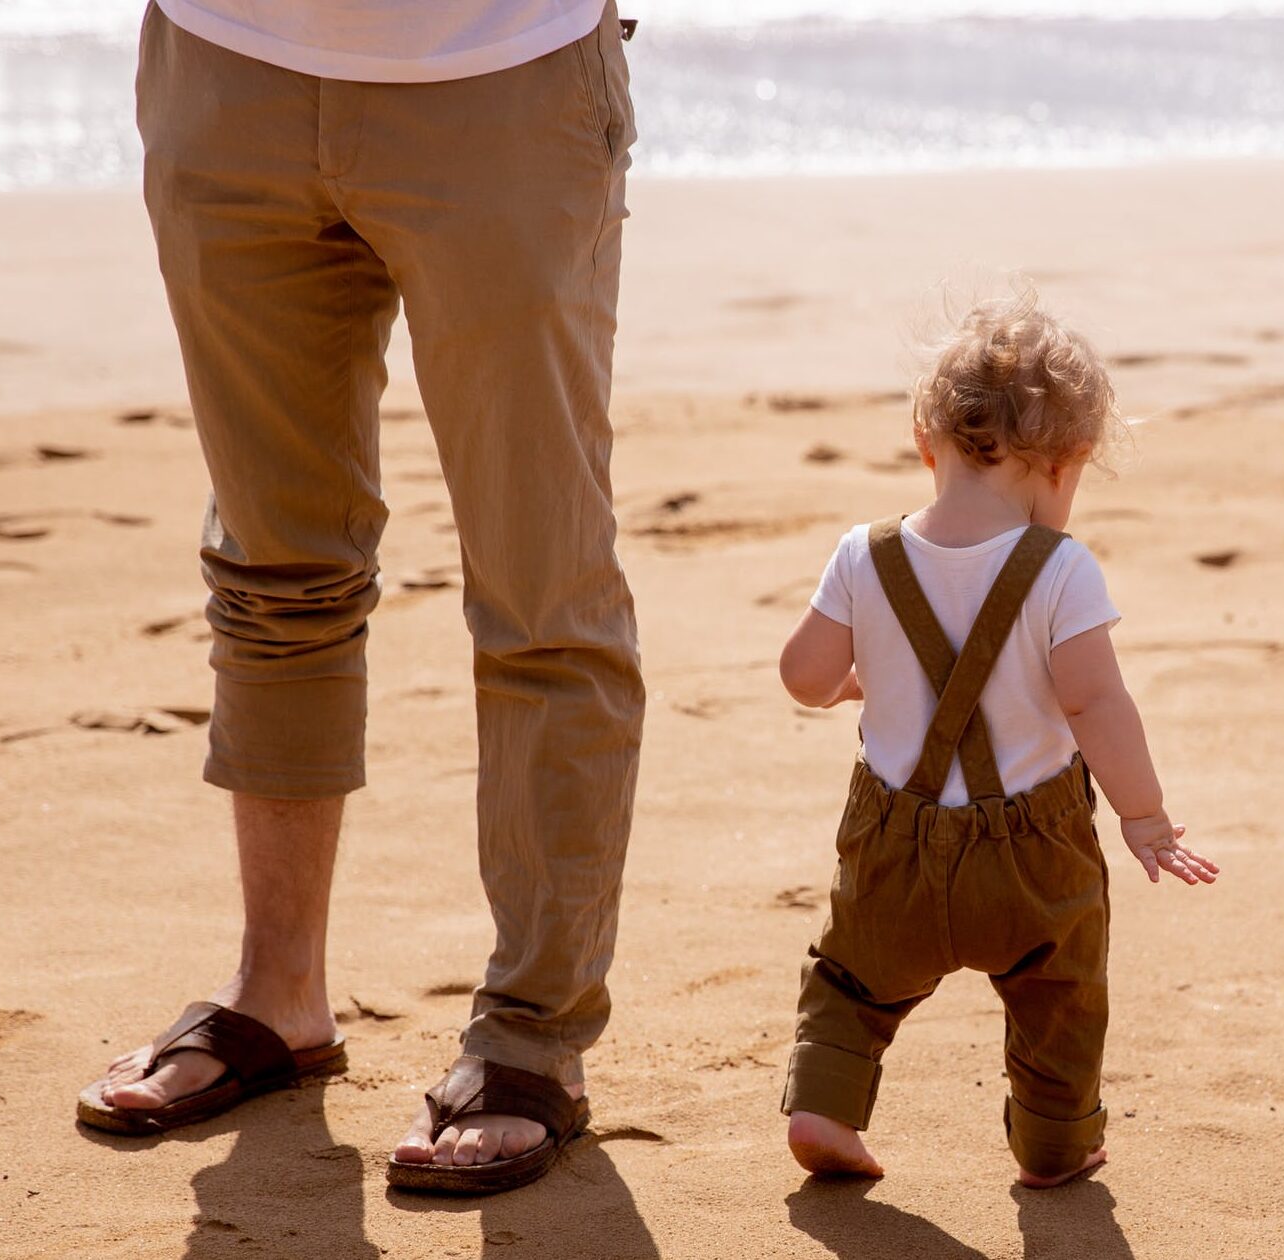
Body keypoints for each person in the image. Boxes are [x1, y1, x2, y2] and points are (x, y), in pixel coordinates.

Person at [74, 0, 643, 1195]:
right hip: (226, 69)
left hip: (503, 75)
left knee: (542, 592)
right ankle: (277, 997)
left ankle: (535, 1037)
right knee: (272, 568)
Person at [774, 295, 1220, 1187]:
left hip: (892, 850)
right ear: (1064, 465)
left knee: (852, 981)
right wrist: (1146, 817)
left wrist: (857, 681)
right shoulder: (1062, 570)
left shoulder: (864, 555)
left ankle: (824, 1105)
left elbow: (805, 677)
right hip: (1035, 857)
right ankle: (1055, 1142)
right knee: (1060, 993)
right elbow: (1096, 705)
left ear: (923, 439)